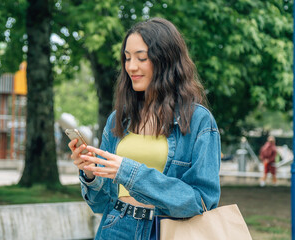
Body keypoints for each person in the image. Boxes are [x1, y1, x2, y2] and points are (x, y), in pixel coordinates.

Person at [68, 18, 221, 240]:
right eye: (127, 58)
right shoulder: (117, 119)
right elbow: (101, 204)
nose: (131, 67)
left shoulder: (198, 120)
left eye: (141, 58)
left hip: (166, 231)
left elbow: (201, 202)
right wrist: (90, 173)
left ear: (165, 60)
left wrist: (129, 172)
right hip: (116, 227)